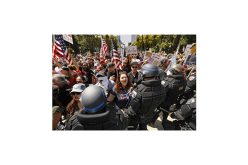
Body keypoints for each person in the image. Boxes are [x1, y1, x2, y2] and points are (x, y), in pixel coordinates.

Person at [126, 64, 168, 130]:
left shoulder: (139, 89)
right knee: (143, 127)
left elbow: (132, 109)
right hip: (149, 115)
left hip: (136, 117)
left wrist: (125, 112)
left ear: (144, 74)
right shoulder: (163, 88)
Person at [160, 64, 187, 130]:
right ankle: (164, 120)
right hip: (173, 100)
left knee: (158, 110)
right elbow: (182, 91)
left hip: (163, 100)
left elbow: (162, 92)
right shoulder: (184, 81)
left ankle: (152, 121)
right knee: (166, 110)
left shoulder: (169, 81)